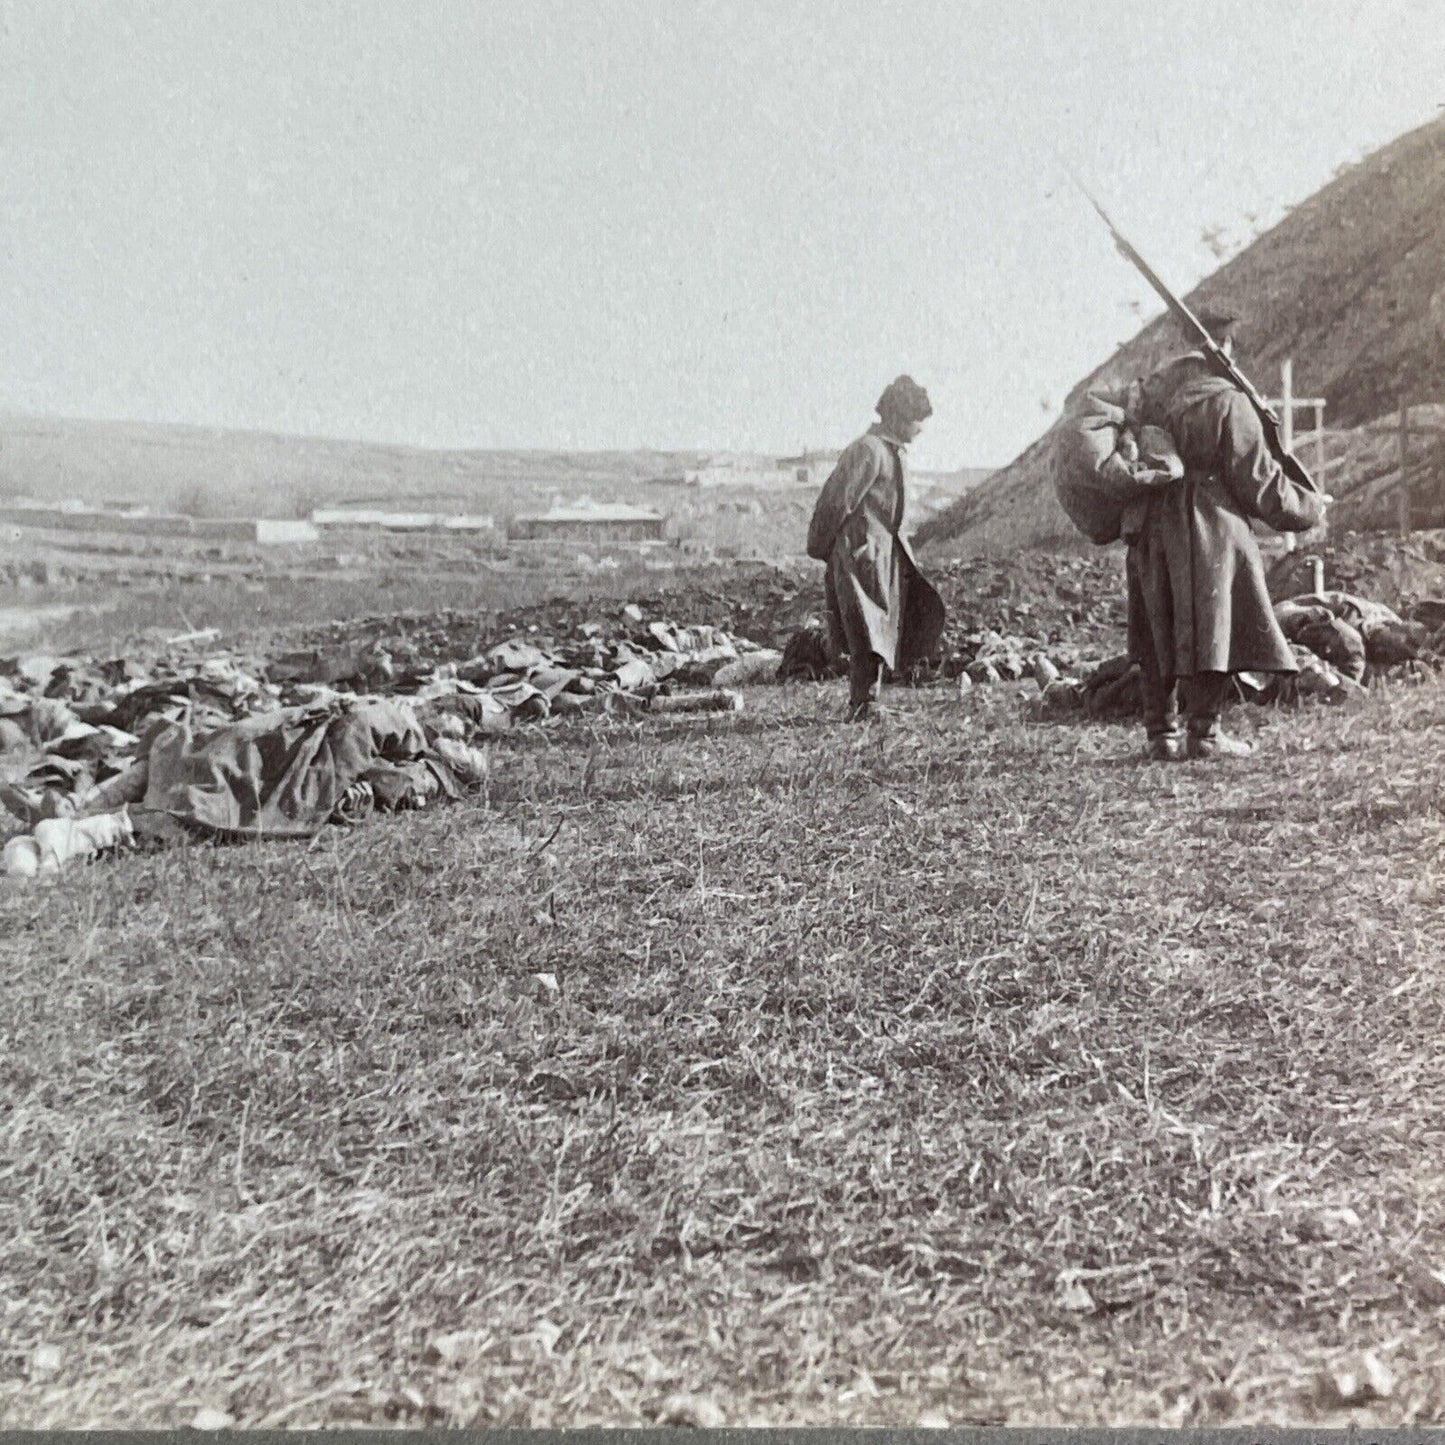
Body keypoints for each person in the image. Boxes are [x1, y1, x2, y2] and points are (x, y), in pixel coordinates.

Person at [1124, 309, 1328, 760]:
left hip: (1153, 523)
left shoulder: (1149, 396)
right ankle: (1205, 733)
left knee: (1158, 622)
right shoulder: (1229, 401)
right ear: (1226, 347)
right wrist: (1309, 506)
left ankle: (1160, 734)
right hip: (1210, 525)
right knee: (1214, 626)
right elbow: (1260, 482)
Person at [806, 376, 946, 720]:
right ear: (899, 416)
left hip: (882, 558)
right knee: (866, 631)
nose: (920, 429)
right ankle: (863, 704)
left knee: (882, 629)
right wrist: (826, 549)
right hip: (861, 556)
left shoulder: (891, 452)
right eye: (917, 419)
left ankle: (869, 701)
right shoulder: (868, 450)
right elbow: (835, 503)